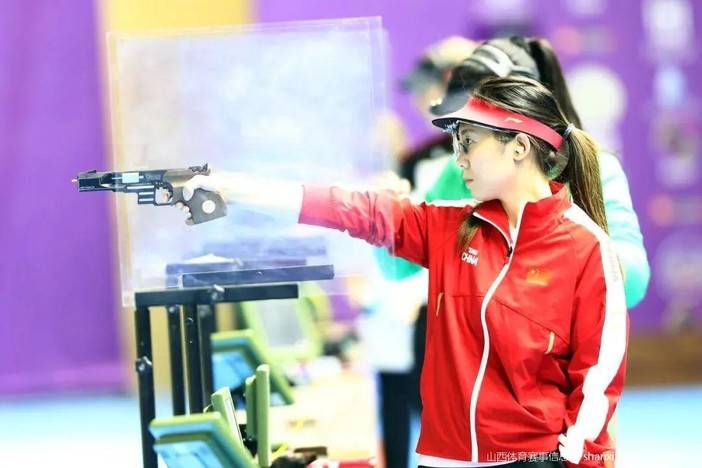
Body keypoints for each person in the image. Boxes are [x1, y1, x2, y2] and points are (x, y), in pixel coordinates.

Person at [178, 75, 629, 467]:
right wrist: (232, 188)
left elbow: (598, 380)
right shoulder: (450, 226)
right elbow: (346, 207)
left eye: (469, 142)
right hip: (442, 458)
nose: (459, 158)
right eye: (456, 144)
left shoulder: (587, 247)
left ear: (520, 146)